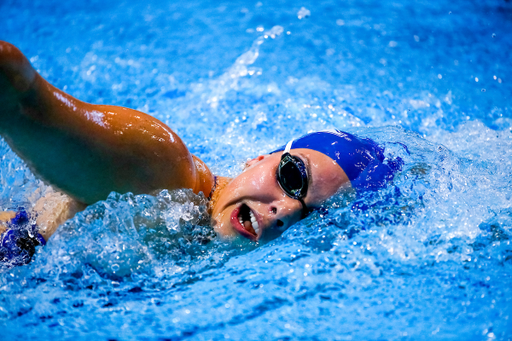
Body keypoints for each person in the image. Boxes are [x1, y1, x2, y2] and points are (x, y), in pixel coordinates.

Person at [0, 41, 401, 265]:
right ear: (258, 157)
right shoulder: (161, 173)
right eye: (293, 178)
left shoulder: (211, 247)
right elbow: (17, 93)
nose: (287, 213)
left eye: (315, 216)